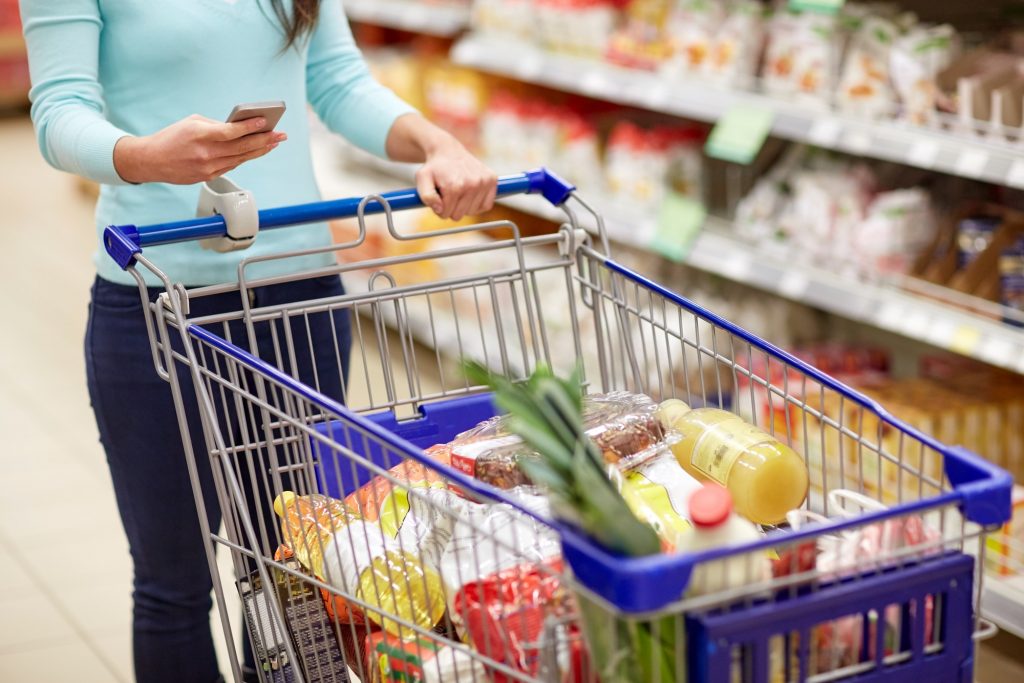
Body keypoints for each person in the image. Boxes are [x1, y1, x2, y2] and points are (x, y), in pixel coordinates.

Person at [19, 1, 497, 681]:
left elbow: (336, 81)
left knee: (291, 569)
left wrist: (436, 143)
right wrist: (144, 156)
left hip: (298, 300)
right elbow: (59, 113)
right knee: (175, 582)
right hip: (157, 304)